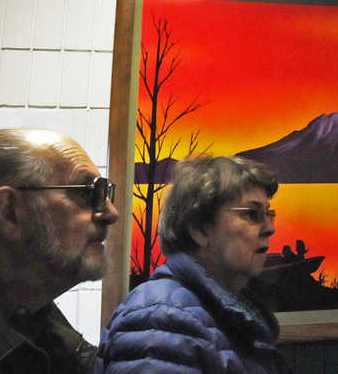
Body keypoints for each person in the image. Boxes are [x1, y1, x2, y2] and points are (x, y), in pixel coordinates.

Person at [0, 128, 119, 374]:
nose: (111, 213)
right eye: (87, 192)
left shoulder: (30, 314)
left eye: (106, 193)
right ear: (9, 211)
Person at [95, 155, 292, 374]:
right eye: (252, 214)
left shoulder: (219, 308)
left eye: (268, 213)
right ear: (199, 229)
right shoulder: (161, 320)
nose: (269, 228)